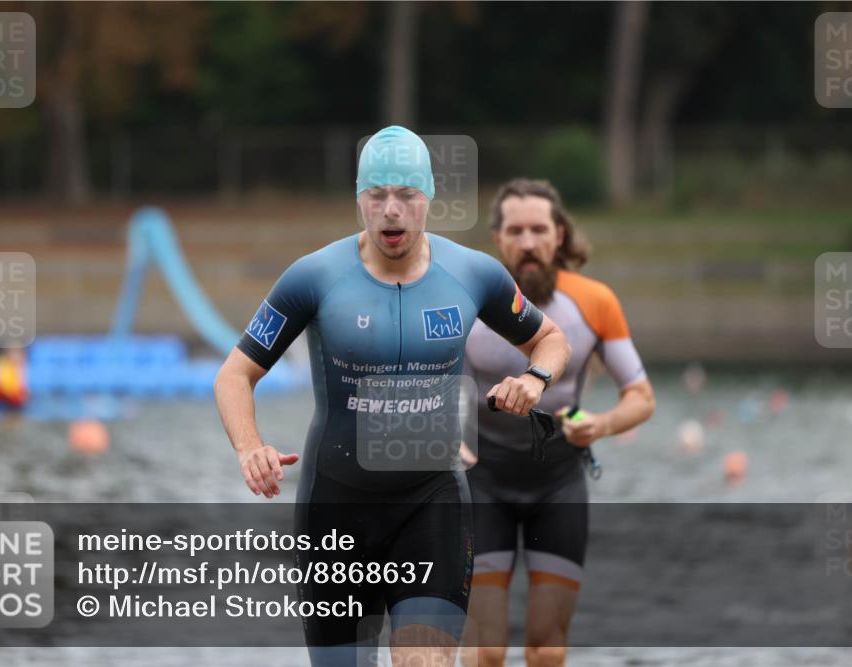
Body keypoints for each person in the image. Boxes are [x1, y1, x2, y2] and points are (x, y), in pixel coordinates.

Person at [214, 128, 572, 667]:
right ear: (359, 200)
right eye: (376, 196)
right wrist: (249, 447)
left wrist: (534, 379)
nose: (391, 212)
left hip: (431, 504)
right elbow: (234, 375)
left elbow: (550, 338)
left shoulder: (473, 273)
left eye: (406, 195)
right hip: (335, 508)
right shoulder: (313, 277)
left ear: (429, 197)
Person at [460, 178, 655, 667]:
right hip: (482, 481)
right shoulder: (465, 302)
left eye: (539, 230)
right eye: (516, 231)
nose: (528, 243)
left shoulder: (594, 302)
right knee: (486, 646)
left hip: (558, 485)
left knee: (546, 646)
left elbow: (641, 397)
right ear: (497, 239)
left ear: (560, 236)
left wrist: (601, 425)